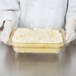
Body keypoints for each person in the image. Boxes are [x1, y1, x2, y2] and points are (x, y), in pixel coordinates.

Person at [0, 0, 76, 44]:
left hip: (59, 42)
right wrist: (8, 23)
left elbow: (74, 8)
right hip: (23, 42)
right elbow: (10, 7)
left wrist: (72, 24)